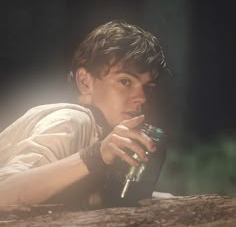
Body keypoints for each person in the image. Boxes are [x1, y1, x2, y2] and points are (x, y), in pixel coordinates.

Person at [0, 20, 168, 210]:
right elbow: (3, 193)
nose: (142, 97)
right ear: (85, 82)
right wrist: (96, 155)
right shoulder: (71, 120)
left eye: (149, 87)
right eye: (125, 81)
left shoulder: (103, 134)